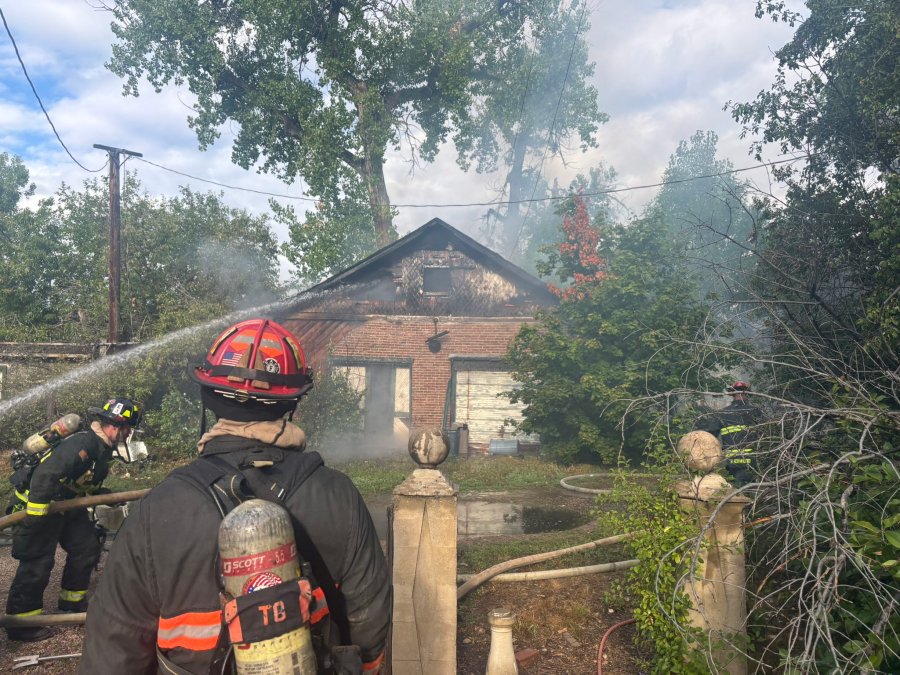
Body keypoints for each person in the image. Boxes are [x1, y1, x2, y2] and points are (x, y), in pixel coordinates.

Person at [80, 318, 391, 674]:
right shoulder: (339, 496)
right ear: (291, 403)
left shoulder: (159, 509)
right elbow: (369, 616)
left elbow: (113, 645)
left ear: (208, 396)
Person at [5, 397, 141, 642]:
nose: (129, 434)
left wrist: (104, 496)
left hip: (66, 505)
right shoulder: (83, 443)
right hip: (40, 505)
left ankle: (71, 602)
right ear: (116, 426)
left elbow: (82, 482)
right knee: (38, 561)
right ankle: (21, 624)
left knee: (87, 546)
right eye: (128, 428)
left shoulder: (101, 448)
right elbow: (45, 476)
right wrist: (35, 518)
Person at [697, 381, 761, 486]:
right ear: (747, 393)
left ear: (732, 394)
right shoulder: (755, 411)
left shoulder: (722, 413)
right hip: (753, 464)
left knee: (735, 497)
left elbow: (709, 437)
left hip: (732, 465)